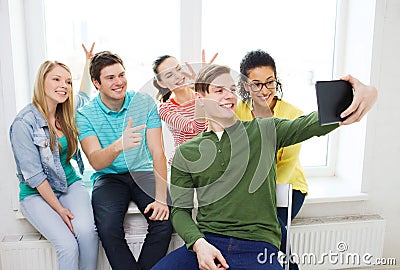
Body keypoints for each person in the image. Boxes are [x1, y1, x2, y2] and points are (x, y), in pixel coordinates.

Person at [152, 64, 377, 270]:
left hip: (258, 247)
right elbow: (180, 211)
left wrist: (362, 95)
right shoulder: (186, 153)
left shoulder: (264, 130)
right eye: (219, 91)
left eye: (232, 89)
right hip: (209, 242)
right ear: (200, 99)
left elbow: (311, 124)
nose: (229, 96)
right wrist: (199, 244)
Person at [235, 49, 378, 270]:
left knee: (272, 226)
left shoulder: (292, 113)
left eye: (270, 82)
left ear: (276, 80)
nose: (264, 90)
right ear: (245, 85)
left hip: (287, 186)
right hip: (249, 189)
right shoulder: (237, 111)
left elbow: (287, 164)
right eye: (256, 84)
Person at [76, 49, 173, 270]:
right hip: (109, 177)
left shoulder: (144, 103)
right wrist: (120, 144)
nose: (119, 82)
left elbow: (158, 153)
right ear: (96, 83)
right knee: (108, 228)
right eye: (110, 77)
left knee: (164, 223)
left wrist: (160, 199)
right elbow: (97, 162)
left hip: (143, 171)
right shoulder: (85, 114)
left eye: (121, 75)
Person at [9, 60, 98, 270]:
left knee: (87, 233)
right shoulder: (23, 123)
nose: (64, 85)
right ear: (42, 82)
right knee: (68, 245)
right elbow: (35, 176)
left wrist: (87, 63)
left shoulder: (66, 112)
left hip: (70, 184)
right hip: (35, 194)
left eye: (67, 82)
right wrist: (59, 209)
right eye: (56, 79)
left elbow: (84, 96)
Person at [153, 51, 217, 164]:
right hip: (185, 164)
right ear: (162, 83)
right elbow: (196, 129)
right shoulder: (165, 109)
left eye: (178, 69)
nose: (178, 76)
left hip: (212, 158)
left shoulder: (205, 91)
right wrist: (200, 89)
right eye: (169, 75)